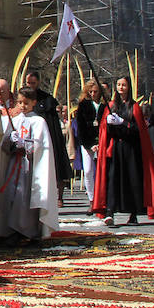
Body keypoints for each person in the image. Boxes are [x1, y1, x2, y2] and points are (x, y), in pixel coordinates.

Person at [93, 76, 154, 226]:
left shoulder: (134, 107)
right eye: (119, 85)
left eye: (124, 85)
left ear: (129, 87)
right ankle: (110, 211)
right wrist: (108, 124)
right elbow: (104, 130)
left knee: (132, 180)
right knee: (112, 179)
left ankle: (133, 213)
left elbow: (138, 130)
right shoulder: (111, 105)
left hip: (130, 149)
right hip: (115, 148)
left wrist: (123, 123)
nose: (121, 87)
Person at [0, 86, 60, 244]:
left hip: (29, 167)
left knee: (24, 199)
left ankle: (26, 229)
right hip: (15, 164)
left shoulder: (38, 121)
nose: (22, 106)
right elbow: (5, 145)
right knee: (12, 196)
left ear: (34, 102)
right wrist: (11, 140)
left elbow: (40, 146)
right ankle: (10, 228)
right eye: (20, 102)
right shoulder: (15, 120)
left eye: (26, 103)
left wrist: (25, 144)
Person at [24, 70, 72, 198]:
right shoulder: (23, 97)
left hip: (47, 136)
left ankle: (59, 196)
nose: (30, 86)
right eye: (28, 83)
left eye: (33, 83)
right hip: (28, 137)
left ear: (38, 82)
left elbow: (52, 122)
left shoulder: (47, 99)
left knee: (56, 164)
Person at [72, 79, 102, 210]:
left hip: (102, 141)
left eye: (95, 91)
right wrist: (90, 144)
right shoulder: (83, 105)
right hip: (87, 142)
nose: (93, 94)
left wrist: (100, 142)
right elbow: (81, 127)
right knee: (88, 170)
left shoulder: (104, 105)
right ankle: (91, 199)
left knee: (102, 171)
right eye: (91, 92)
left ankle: (102, 198)